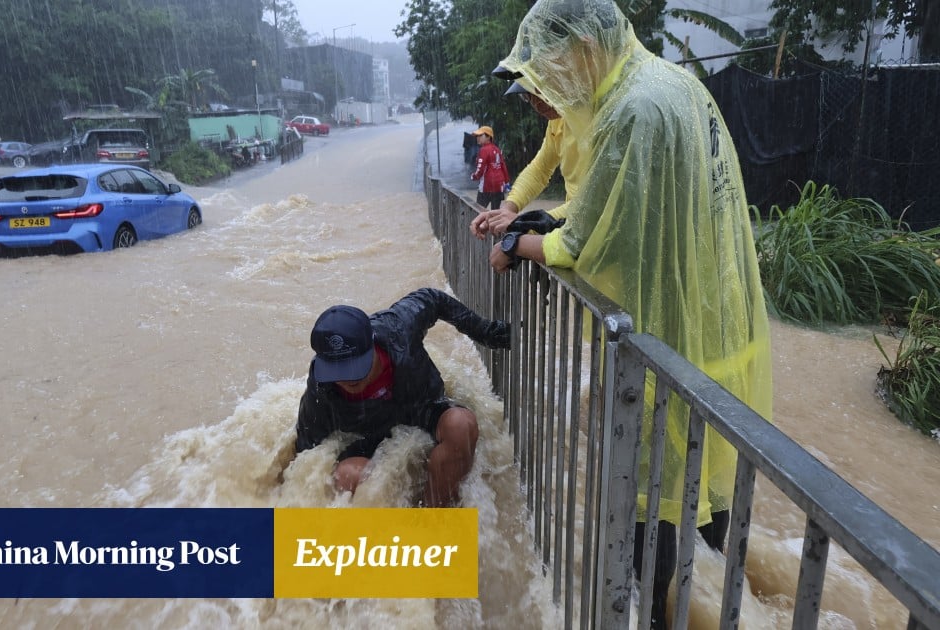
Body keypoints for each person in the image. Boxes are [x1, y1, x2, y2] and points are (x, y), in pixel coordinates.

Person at [485, 1, 773, 627]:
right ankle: (731, 604)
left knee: (654, 496)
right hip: (719, 317)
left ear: (586, 46)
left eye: (550, 70)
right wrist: (535, 216)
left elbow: (583, 242)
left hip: (669, 331)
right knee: (710, 470)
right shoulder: (672, 86)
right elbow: (615, 207)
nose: (547, 94)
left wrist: (517, 242)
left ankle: (650, 615)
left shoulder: (632, 110)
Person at [295, 288, 511, 507]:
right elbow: (306, 452)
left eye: (352, 367)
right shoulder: (321, 385)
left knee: (461, 425)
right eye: (336, 371)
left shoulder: (399, 327)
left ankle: (434, 516)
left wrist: (485, 331)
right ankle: (395, 535)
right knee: (346, 475)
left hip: (423, 409)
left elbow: (433, 299)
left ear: (371, 345)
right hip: (369, 438)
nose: (346, 380)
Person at [470, 85, 583, 238]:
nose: (536, 104)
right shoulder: (558, 121)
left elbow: (592, 204)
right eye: (527, 96)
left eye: (539, 90)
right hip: (576, 232)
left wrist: (524, 224)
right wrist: (508, 209)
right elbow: (540, 169)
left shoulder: (599, 117)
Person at [469, 126, 510, 209]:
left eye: (480, 136)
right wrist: (506, 182)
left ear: (488, 137)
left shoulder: (483, 150)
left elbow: (480, 169)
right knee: (495, 213)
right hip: (498, 186)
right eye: (477, 136)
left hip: (487, 186)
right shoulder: (497, 149)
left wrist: (474, 176)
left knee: (478, 211)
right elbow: (503, 167)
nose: (478, 138)